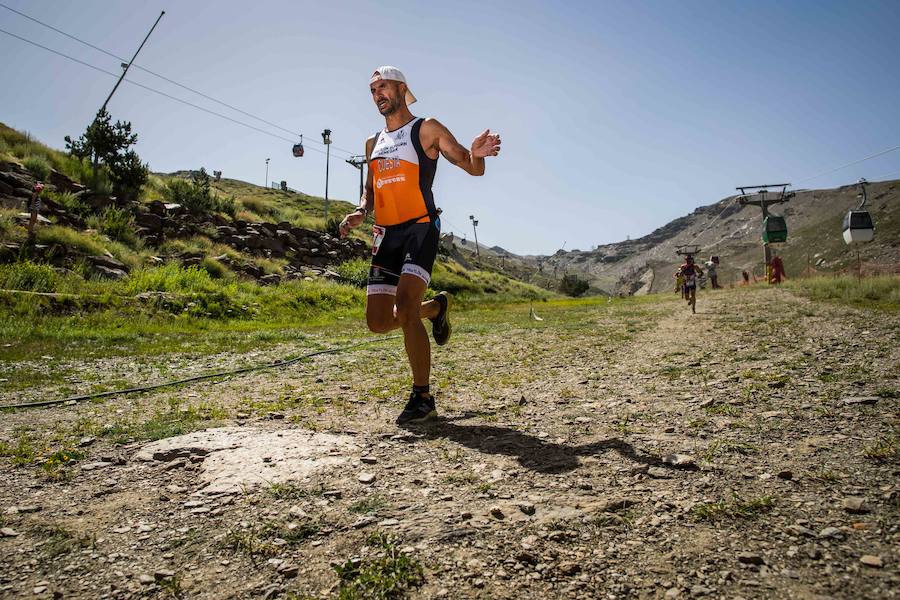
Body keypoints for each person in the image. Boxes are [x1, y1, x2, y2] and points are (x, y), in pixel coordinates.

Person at [339, 66, 501, 425]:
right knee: (379, 322)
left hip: (421, 227)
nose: (378, 94)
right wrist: (360, 212)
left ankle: (422, 398)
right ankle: (436, 308)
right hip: (386, 234)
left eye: (383, 86)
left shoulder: (426, 128)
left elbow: (471, 168)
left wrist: (478, 154)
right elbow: (371, 189)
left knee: (405, 304)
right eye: (372, 90)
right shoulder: (372, 142)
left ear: (401, 88)